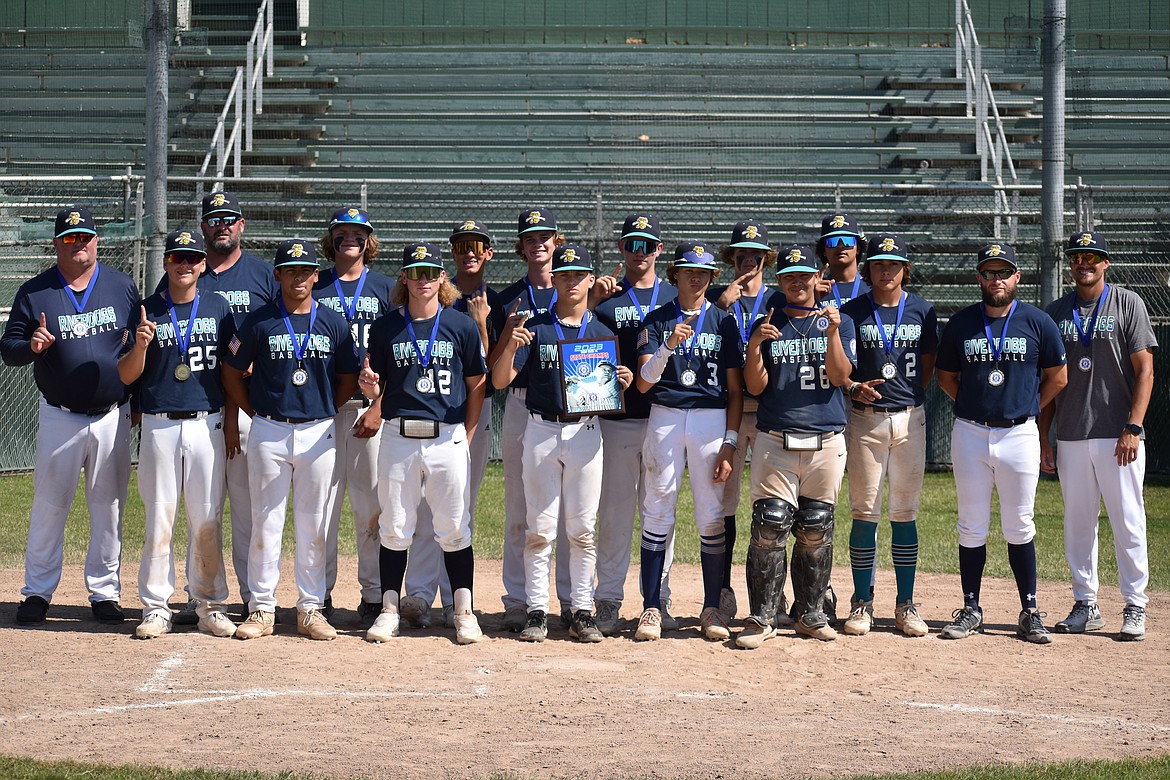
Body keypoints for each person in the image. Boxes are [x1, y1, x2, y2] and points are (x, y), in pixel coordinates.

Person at [4, 206, 139, 626]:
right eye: (69, 238)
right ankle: (37, 593)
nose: (78, 244)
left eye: (84, 236)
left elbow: (140, 345)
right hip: (59, 414)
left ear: (97, 240)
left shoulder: (121, 286)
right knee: (49, 505)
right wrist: (33, 347)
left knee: (109, 507)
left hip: (112, 414)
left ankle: (104, 593)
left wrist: (136, 401)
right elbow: (8, 349)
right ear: (56, 243)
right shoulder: (35, 291)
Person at [493, 243, 633, 642]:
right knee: (540, 528)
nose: (570, 282)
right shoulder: (535, 327)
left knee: (583, 529)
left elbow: (608, 388)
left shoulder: (601, 330)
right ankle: (537, 610)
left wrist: (618, 382)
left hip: (586, 431)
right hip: (541, 430)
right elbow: (501, 381)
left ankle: (580, 610)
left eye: (578, 275)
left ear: (591, 280)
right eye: (563, 275)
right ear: (553, 279)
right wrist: (510, 347)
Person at [222, 239, 359, 641]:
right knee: (266, 519)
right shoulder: (258, 320)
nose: (298, 277)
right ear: (277, 275)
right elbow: (231, 372)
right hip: (269, 427)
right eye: (290, 270)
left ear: (316, 275)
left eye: (305, 271)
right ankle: (261, 607)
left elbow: (348, 375)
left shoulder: (332, 320)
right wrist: (254, 412)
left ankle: (310, 608)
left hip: (318, 428)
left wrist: (325, 406)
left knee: (314, 521)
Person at [935, 243, 1067, 645]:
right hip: (971, 431)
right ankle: (971, 607)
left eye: (1004, 272)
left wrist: (1028, 407)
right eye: (989, 272)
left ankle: (1030, 610)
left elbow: (1057, 377)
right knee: (971, 524)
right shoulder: (961, 323)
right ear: (979, 278)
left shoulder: (1037, 321)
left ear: (1017, 278)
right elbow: (945, 377)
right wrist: (974, 405)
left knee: (1019, 524)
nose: (997, 279)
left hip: (1019, 433)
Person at [360, 241, 486, 645]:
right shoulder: (385, 327)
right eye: (415, 272)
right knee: (395, 527)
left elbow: (476, 383)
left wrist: (466, 432)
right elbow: (375, 384)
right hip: (398, 435)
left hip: (446, 434)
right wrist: (370, 390)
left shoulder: (461, 325)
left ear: (442, 277)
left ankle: (464, 612)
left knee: (453, 528)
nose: (423, 280)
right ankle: (389, 610)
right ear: (403, 278)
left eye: (430, 272)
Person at [118, 229, 238, 639]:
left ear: (203, 264)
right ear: (165, 262)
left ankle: (208, 603)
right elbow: (126, 374)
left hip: (207, 420)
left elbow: (232, 369)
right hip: (159, 421)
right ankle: (155, 606)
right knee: (160, 515)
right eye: (176, 258)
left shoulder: (219, 307)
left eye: (191, 258)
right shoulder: (147, 309)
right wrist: (140, 347)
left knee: (206, 516)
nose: (184, 265)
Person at [736, 245, 857, 648]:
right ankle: (763, 616)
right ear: (780, 281)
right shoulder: (769, 320)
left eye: (803, 276)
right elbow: (755, 387)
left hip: (826, 438)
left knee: (816, 527)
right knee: (769, 525)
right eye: (788, 276)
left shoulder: (837, 321)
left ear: (815, 279)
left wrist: (836, 331)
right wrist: (754, 345)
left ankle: (810, 613)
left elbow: (841, 377)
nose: (797, 283)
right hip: (776, 437)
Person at [1040, 231, 1156, 641]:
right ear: (1070, 264)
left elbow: (1145, 370)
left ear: (1105, 263)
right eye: (1077, 258)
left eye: (1092, 257)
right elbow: (1050, 380)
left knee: (1128, 519)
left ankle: (1135, 604)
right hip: (1071, 432)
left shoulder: (1128, 302)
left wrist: (1134, 426)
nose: (1084, 264)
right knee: (1078, 522)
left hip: (1117, 433)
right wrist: (1044, 438)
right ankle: (1086, 602)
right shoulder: (1056, 312)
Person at [173, 192, 279, 625]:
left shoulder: (260, 274)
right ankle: (200, 597)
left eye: (229, 218)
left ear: (242, 224)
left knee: (251, 508)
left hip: (251, 406)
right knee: (203, 508)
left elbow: (281, 326)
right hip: (202, 405)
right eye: (213, 219)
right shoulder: (186, 270)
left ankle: (257, 599)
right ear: (203, 228)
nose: (221, 225)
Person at [634, 241, 743, 642]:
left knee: (711, 513)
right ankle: (651, 606)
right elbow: (644, 382)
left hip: (711, 418)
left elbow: (735, 391)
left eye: (703, 273)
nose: (695, 278)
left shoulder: (723, 321)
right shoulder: (658, 318)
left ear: (713, 277)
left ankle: (711, 606)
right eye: (687, 271)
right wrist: (667, 347)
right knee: (657, 506)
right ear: (674, 275)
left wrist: (730, 443)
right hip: (665, 413)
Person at [401, 219, 498, 630]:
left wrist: (481, 323)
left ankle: (454, 599)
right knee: (422, 506)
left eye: (477, 244)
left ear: (489, 253)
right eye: (461, 245)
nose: (469, 251)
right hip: (428, 412)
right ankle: (420, 594)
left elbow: (488, 373)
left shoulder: (502, 298)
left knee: (459, 509)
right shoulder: (433, 298)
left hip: (470, 410)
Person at [838, 234, 937, 638]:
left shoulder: (922, 310)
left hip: (910, 417)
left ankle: (905, 603)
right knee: (864, 510)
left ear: (905, 269)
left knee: (904, 511)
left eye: (893, 264)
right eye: (879, 263)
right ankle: (862, 602)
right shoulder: (853, 310)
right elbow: (841, 364)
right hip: (865, 418)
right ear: (868, 268)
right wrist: (852, 386)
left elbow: (927, 367)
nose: (886, 270)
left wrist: (908, 399)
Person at [592, 213, 679, 636]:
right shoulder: (607, 301)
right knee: (615, 513)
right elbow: (584, 352)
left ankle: (659, 599)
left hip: (665, 416)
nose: (639, 252)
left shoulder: (674, 296)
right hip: (619, 419)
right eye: (632, 244)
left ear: (660, 249)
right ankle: (607, 598)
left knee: (661, 512)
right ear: (622, 248)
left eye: (648, 244)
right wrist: (591, 303)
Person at [312, 207, 396, 625]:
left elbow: (401, 349)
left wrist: (380, 405)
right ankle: (319, 594)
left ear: (368, 239)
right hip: (322, 410)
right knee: (322, 508)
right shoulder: (315, 282)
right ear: (331, 238)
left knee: (371, 507)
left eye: (358, 232)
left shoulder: (383, 287)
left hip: (368, 410)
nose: (350, 238)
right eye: (342, 232)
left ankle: (374, 592)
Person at [488, 207, 565, 632]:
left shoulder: (576, 289)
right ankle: (518, 599)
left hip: (567, 403)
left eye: (545, 235)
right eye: (531, 237)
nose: (539, 242)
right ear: (521, 246)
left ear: (557, 240)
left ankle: (572, 600)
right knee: (520, 508)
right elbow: (498, 363)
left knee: (570, 509)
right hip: (521, 402)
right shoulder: (507, 299)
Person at [707, 219, 782, 623]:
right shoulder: (717, 299)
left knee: (773, 504)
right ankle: (721, 588)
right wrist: (722, 304)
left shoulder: (778, 298)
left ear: (767, 261)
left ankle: (776, 591)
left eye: (756, 256)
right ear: (731, 260)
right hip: (727, 409)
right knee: (725, 505)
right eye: (741, 256)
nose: (748, 262)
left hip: (769, 409)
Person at [815, 213, 870, 309]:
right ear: (823, 250)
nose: (841, 246)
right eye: (832, 242)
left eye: (848, 241)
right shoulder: (817, 290)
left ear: (858, 249)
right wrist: (812, 300)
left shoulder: (873, 288)